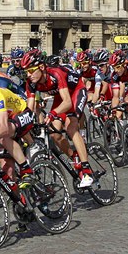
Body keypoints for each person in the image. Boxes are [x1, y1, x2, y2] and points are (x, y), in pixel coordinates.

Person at [21, 49, 92, 188]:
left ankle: (87, 170)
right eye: (26, 72)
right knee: (53, 133)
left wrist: (53, 113)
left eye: (30, 71)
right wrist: (24, 123)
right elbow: (29, 108)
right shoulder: (31, 82)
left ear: (41, 67)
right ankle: (74, 157)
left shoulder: (56, 74)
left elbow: (67, 103)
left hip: (76, 91)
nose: (28, 75)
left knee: (71, 126)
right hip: (61, 96)